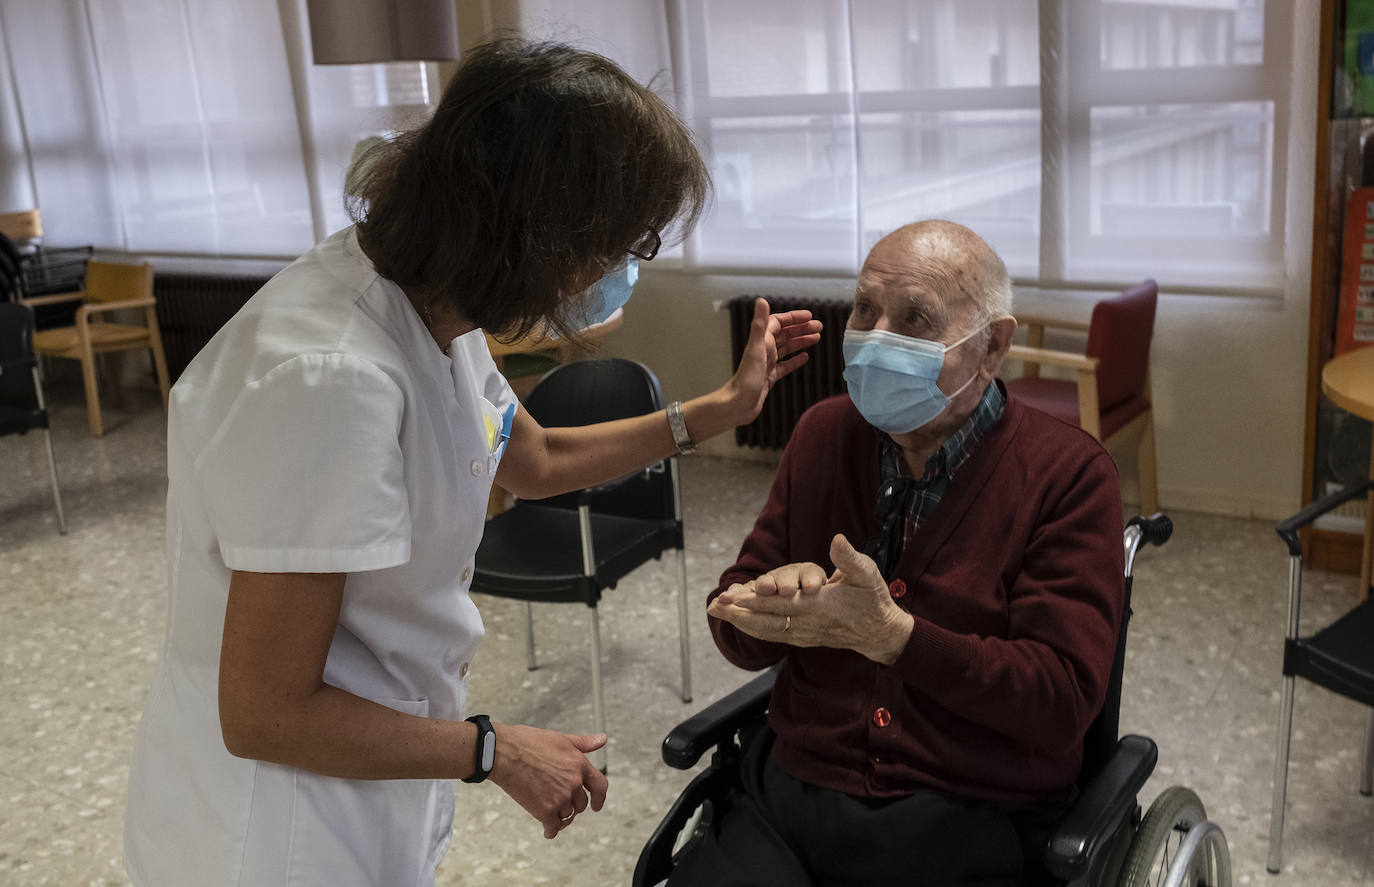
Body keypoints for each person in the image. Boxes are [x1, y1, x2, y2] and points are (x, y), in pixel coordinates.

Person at [122, 38, 822, 887]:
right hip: (277, 832)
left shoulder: (432, 308)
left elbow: (534, 456)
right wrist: (494, 750)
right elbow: (267, 711)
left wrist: (720, 411)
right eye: (618, 243)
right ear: (533, 230)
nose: (624, 270)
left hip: (369, 778)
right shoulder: (330, 377)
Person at [671, 220, 1125, 887]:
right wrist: (766, 604)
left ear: (993, 344)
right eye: (865, 309)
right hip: (794, 797)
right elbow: (733, 620)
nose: (876, 337)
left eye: (914, 318)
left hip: (965, 814)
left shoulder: (1068, 476)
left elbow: (1058, 701)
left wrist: (898, 640)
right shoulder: (824, 434)